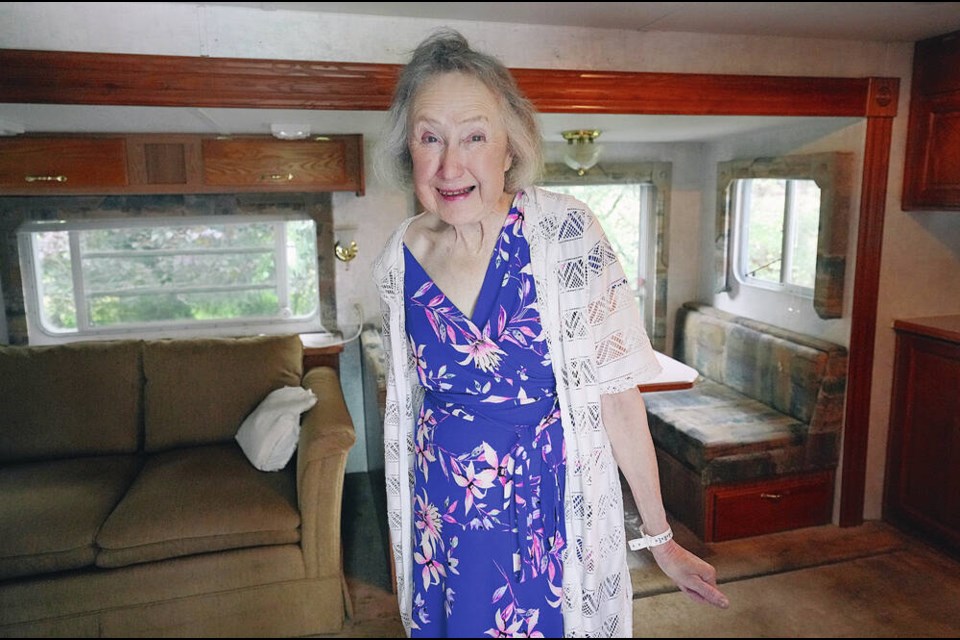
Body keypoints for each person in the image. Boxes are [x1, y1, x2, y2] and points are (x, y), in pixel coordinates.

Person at [372, 28, 729, 638]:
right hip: (443, 524)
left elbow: (617, 397)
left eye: (474, 136)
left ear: (509, 148)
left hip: (543, 516)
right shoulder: (397, 259)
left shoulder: (566, 233)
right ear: (409, 151)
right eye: (430, 137)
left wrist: (661, 539)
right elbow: (406, 415)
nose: (450, 164)